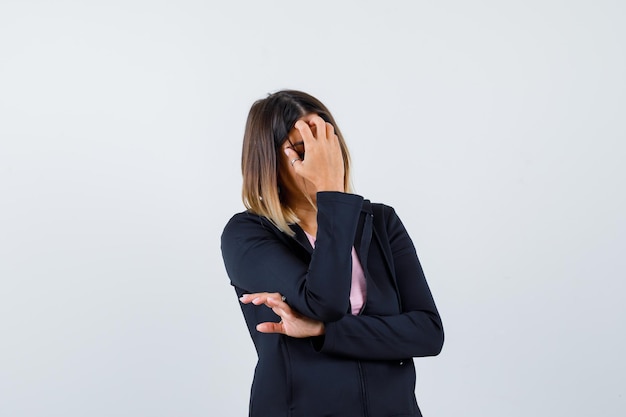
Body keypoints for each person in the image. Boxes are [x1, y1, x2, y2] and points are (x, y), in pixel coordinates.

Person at [221, 90, 444, 417]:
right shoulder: (247, 234)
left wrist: (323, 331)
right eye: (302, 147)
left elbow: (427, 333)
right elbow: (324, 301)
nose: (321, 157)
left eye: (326, 142)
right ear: (268, 159)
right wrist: (331, 195)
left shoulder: (381, 221)